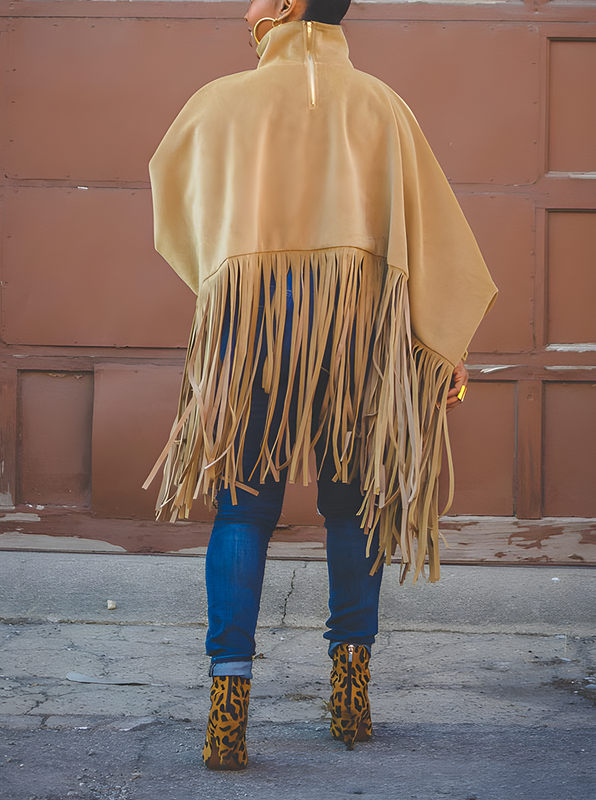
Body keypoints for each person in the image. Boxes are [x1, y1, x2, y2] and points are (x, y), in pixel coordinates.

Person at [146, 0, 497, 770]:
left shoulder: (218, 103)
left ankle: (227, 716)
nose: (246, 8)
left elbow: (176, 215)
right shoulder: (383, 106)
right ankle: (351, 700)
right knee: (353, 504)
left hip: (255, 330)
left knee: (242, 510)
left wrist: (236, 276)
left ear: (287, 6)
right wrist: (441, 347)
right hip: (358, 331)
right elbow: (428, 228)